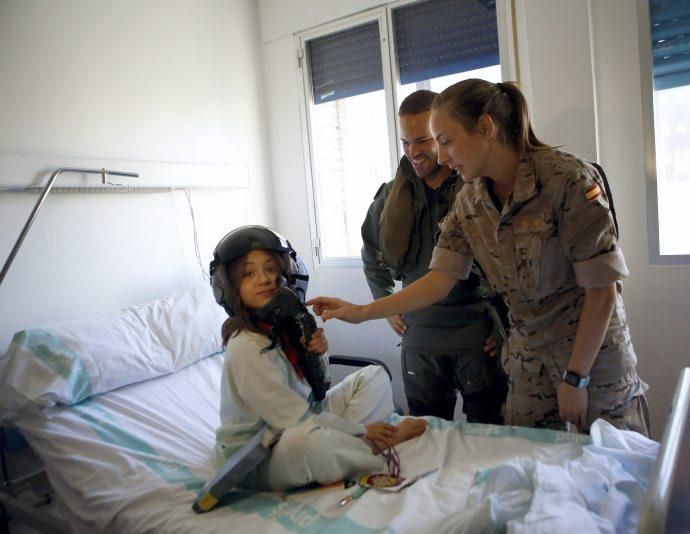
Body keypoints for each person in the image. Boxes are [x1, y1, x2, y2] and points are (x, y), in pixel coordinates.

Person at [308, 79, 650, 436]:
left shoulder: (568, 180)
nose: (441, 157)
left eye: (445, 141)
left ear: (486, 128)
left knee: (613, 469)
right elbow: (439, 279)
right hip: (527, 364)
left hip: (592, 358)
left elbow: (602, 291)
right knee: (529, 469)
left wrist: (577, 377)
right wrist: (361, 312)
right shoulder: (470, 200)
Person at [209, 225, 427, 491]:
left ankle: (351, 447)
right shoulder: (246, 346)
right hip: (257, 453)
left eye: (270, 269)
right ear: (228, 287)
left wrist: (317, 355)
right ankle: (369, 445)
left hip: (300, 419)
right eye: (248, 274)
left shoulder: (284, 327)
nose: (264, 279)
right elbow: (292, 419)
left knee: (372, 376)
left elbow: (318, 390)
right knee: (307, 443)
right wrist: (362, 431)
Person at [361, 89, 507, 424]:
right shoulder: (389, 196)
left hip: (477, 337)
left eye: (423, 140)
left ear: (442, 135)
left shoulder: (478, 189)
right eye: (405, 143)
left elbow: (513, 265)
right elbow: (371, 251)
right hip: (420, 340)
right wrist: (384, 299)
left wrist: (504, 329)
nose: (414, 152)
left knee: (489, 437)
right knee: (424, 436)